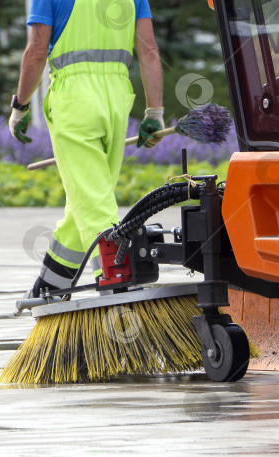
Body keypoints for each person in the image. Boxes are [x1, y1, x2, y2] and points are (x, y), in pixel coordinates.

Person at [9, 0, 164, 297]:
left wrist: (21, 104)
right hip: (117, 102)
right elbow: (149, 50)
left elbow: (37, 51)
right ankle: (50, 288)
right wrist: (154, 112)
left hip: (74, 103)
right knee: (88, 199)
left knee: (93, 203)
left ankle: (118, 289)